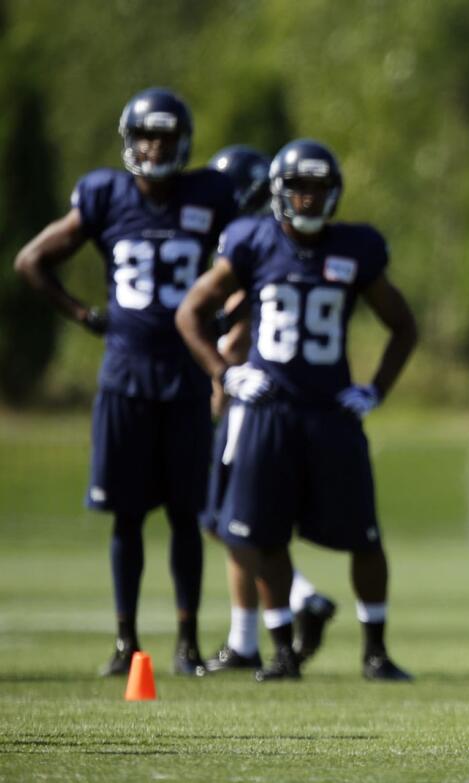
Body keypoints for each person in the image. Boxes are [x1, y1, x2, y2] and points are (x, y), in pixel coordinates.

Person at [14, 87, 237, 677]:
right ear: (130, 141)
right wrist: (84, 314)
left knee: (186, 514)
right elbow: (30, 261)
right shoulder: (105, 195)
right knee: (128, 515)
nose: (155, 146)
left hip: (186, 377)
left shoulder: (209, 195)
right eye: (146, 136)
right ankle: (126, 641)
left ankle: (187, 642)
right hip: (125, 376)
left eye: (165, 136)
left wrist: (231, 326)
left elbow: (253, 261)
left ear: (184, 142)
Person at [176, 139, 418, 681]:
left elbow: (403, 325)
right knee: (264, 536)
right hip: (270, 409)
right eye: (298, 189)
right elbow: (191, 311)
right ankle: (283, 650)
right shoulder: (251, 242)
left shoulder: (357, 248)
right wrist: (224, 372)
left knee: (365, 536)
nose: (308, 200)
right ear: (279, 193)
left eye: (318, 189)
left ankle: (375, 651)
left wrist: (375, 389)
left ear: (334, 194)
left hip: (331, 412)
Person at [199, 145, 338, 673]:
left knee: (234, 520)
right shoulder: (274, 234)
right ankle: (292, 604)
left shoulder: (258, 238)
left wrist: (222, 380)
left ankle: (257, 632)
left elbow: (240, 330)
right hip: (268, 397)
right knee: (229, 520)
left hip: (253, 401)